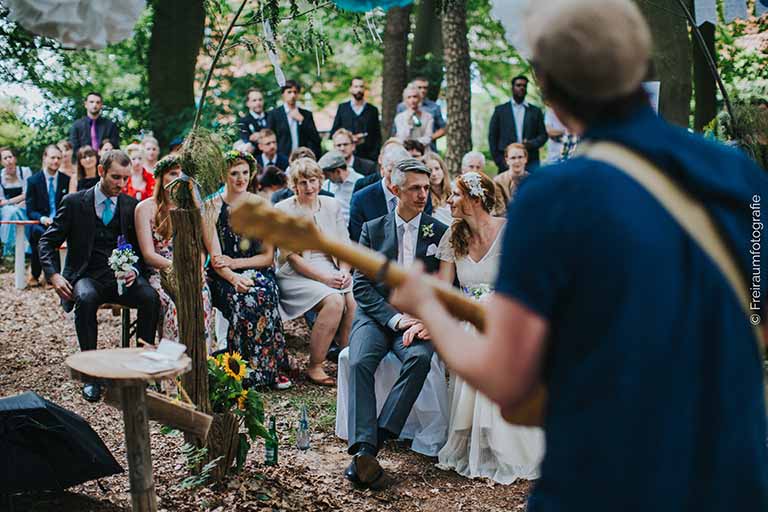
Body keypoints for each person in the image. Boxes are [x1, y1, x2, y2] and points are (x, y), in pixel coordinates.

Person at [389, 0, 768, 509]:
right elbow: (760, 319)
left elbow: (508, 381)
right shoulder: (740, 175)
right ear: (639, 60)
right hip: (730, 475)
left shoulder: (553, 196)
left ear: (549, 88)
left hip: (605, 481)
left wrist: (429, 303)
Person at [344, 158, 448, 488]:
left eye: (426, 188)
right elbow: (360, 286)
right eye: (414, 188)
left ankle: (377, 438)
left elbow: (446, 288)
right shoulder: (372, 230)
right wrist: (394, 318)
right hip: (376, 317)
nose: (422, 194)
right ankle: (362, 446)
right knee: (359, 360)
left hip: (418, 319)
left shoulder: (438, 231)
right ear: (395, 189)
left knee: (419, 358)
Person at [435, 171, 544, 483]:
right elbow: (443, 291)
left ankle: (505, 441)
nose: (449, 200)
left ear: (475, 198)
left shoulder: (510, 232)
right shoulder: (452, 237)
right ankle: (477, 437)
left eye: (456, 195)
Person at [39, 150, 160, 402]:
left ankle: (142, 369)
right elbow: (46, 243)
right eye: (116, 177)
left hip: (121, 278)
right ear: (101, 171)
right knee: (84, 297)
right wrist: (54, 276)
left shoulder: (130, 206)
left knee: (150, 297)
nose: (121, 184)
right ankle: (91, 374)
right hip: (87, 275)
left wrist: (134, 270)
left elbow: (140, 249)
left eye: (126, 178)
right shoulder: (73, 203)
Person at [208, 151, 291, 389]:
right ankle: (238, 369)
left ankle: (268, 369)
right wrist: (233, 277)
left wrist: (237, 264)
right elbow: (216, 259)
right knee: (243, 298)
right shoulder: (211, 207)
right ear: (224, 175)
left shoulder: (262, 206)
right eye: (234, 173)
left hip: (254, 267)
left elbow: (267, 257)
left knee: (265, 293)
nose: (240, 178)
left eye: (245, 172)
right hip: (222, 275)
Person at [275, 158, 356, 386]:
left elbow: (344, 246)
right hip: (296, 273)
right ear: (294, 185)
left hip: (332, 267)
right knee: (334, 302)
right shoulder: (283, 210)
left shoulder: (332, 205)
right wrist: (325, 278)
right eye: (302, 182)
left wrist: (344, 272)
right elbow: (291, 256)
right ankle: (315, 365)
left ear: (320, 181)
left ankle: (346, 361)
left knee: (353, 301)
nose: (309, 187)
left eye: (313, 181)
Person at [134, 155, 215, 350]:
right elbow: (148, 254)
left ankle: (200, 363)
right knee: (174, 302)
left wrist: (197, 269)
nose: (179, 179)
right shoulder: (145, 208)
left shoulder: (188, 209)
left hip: (191, 270)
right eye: (173, 174)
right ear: (161, 177)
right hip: (161, 271)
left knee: (201, 297)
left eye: (183, 175)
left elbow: (203, 247)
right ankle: (171, 366)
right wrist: (177, 268)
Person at [26, 145, 70, 287]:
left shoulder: (66, 180)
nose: (56, 161)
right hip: (40, 222)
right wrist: (43, 219)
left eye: (58, 158)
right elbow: (30, 209)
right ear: (45, 158)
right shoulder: (33, 181)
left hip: (60, 222)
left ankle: (51, 276)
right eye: (52, 157)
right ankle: (38, 273)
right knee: (39, 234)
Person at [348, 144, 410, 242]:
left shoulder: (419, 193)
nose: (396, 176)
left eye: (401, 171)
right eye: (391, 171)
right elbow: (358, 240)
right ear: (382, 170)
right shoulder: (361, 199)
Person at [488, 76, 547, 172]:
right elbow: (492, 136)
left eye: (524, 86)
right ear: (512, 88)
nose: (521, 88)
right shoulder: (500, 110)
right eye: (518, 85)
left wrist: (530, 144)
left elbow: (543, 135)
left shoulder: (535, 111)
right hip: (506, 163)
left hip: (531, 162)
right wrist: (499, 161)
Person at [331, 77, 382, 161]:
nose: (359, 89)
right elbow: (334, 131)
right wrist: (350, 137)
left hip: (368, 157)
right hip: (346, 157)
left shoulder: (372, 110)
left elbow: (377, 136)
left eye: (361, 87)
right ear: (350, 89)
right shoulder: (343, 108)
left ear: (364, 89)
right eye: (356, 86)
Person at [267, 80, 322, 159]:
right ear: (283, 94)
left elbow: (315, 138)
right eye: (289, 92)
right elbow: (269, 137)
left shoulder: (306, 114)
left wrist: (302, 120)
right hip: (282, 157)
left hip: (302, 157)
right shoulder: (274, 114)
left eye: (295, 92)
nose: (293, 95)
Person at [396, 77, 446, 151]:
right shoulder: (401, 109)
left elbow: (443, 128)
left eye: (425, 88)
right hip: (406, 149)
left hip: (426, 148)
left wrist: (427, 139)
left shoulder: (433, 108)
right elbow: (398, 132)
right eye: (419, 87)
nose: (422, 90)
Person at [68, 92, 120, 161]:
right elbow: (74, 148)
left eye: (98, 102)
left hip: (105, 162)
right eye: (91, 102)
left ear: (101, 105)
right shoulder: (77, 125)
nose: (94, 105)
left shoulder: (110, 125)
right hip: (84, 163)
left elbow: (115, 147)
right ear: (86, 104)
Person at [0, 147, 32, 256]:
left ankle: (8, 248)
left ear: (15, 159)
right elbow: (1, 201)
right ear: (1, 162)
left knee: (15, 211)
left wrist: (10, 202)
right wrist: (11, 204)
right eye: (5, 158)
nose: (8, 160)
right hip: (6, 210)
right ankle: (21, 247)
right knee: (11, 212)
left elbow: (27, 194)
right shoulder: (0, 177)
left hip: (24, 206)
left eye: (10, 157)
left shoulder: (25, 171)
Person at [319, 150, 363, 224]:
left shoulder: (360, 181)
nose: (327, 178)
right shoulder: (326, 185)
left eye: (328, 175)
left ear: (338, 171)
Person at [493, 143, 529, 216]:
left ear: (525, 159)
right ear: (507, 160)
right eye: (513, 158)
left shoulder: (533, 180)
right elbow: (500, 211)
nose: (517, 161)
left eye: (520, 157)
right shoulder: (498, 181)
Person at [423, 152, 452, 225]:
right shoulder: (424, 197)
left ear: (443, 170)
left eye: (437, 168)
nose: (434, 174)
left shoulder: (454, 191)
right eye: (429, 170)